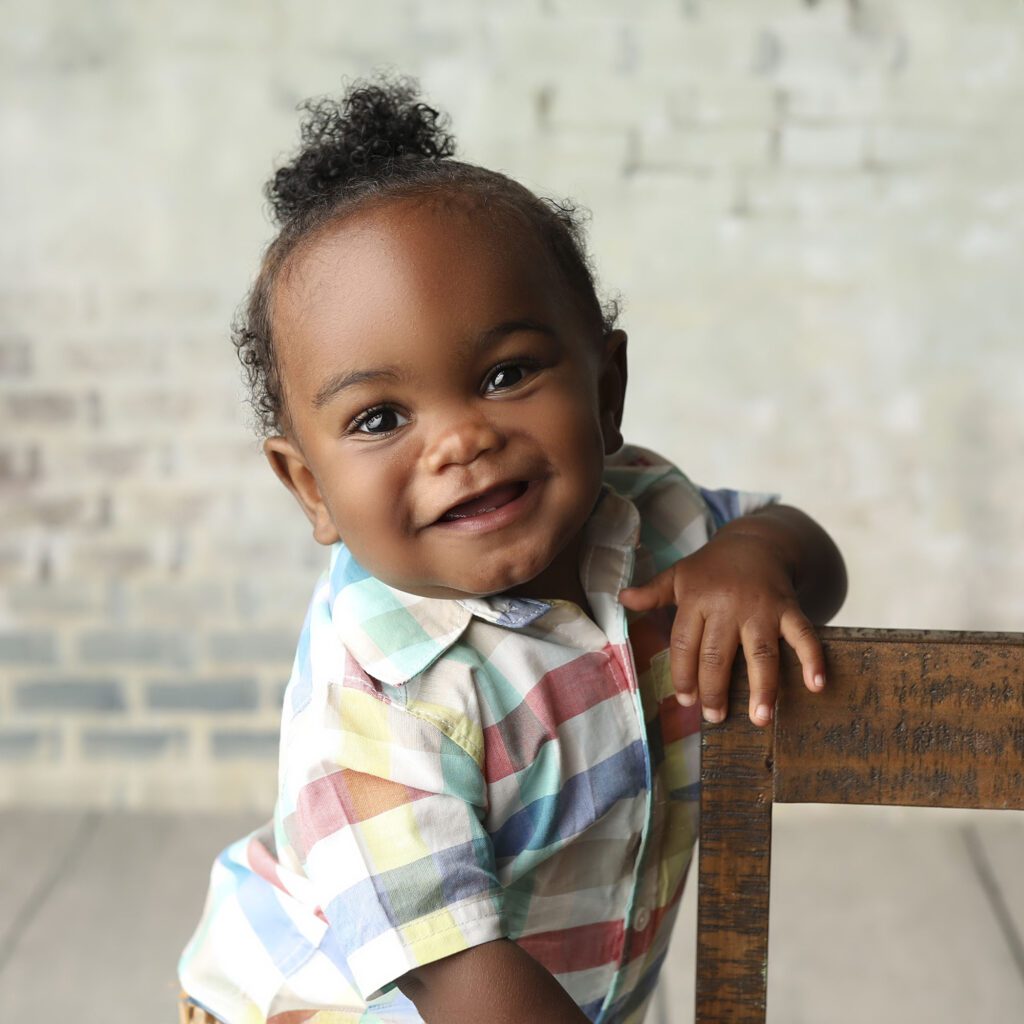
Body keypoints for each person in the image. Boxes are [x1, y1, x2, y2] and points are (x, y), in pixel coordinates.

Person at [178, 76, 846, 1024]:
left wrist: (757, 557)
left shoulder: (650, 516)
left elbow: (814, 561)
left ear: (606, 387)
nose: (459, 441)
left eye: (505, 373)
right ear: (310, 488)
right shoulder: (375, 692)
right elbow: (463, 981)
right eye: (379, 416)